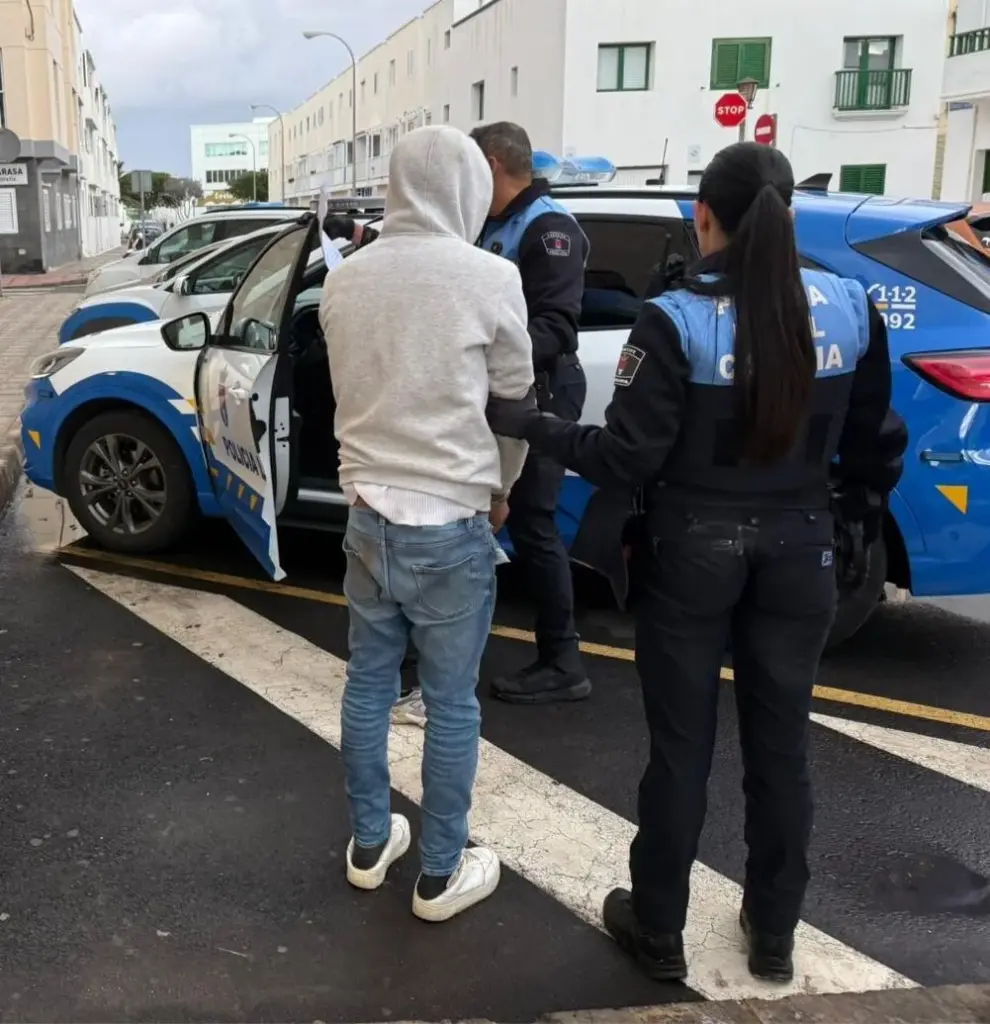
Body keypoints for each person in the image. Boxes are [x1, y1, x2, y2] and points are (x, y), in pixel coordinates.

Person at [486, 142, 907, 981]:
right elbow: (872, 445)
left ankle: (659, 928)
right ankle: (776, 929)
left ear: (703, 217)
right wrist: (847, 520)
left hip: (693, 556)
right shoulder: (852, 308)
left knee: (681, 750)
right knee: (781, 747)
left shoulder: (675, 319)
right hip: (802, 554)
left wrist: (530, 425)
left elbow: (625, 458)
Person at [319, 125, 533, 921]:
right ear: (468, 188)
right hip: (451, 520)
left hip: (367, 514)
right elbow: (513, 408)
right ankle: (441, 872)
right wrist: (501, 489)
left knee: (370, 683)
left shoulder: (347, 279)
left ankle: (370, 844)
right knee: (451, 702)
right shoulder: (491, 277)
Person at [469, 121, 592, 706]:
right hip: (501, 392)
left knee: (533, 522)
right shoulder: (496, 222)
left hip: (539, 393)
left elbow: (555, 328)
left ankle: (563, 661)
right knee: (491, 514)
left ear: (491, 165)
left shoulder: (546, 228)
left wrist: (473, 345)